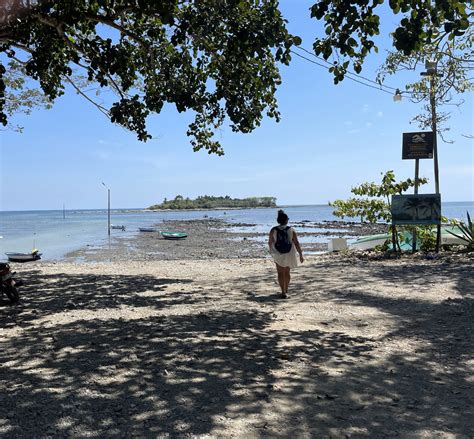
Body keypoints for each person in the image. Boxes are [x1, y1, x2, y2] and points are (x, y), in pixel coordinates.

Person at [268, 209, 304, 298]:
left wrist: (272, 251)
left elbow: (270, 242)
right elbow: (296, 243)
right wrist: (300, 254)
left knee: (280, 273)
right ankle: (286, 290)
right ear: (286, 220)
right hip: (289, 253)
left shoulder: (273, 229)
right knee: (287, 272)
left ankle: (283, 291)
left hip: (278, 253)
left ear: (278, 220)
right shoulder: (291, 230)